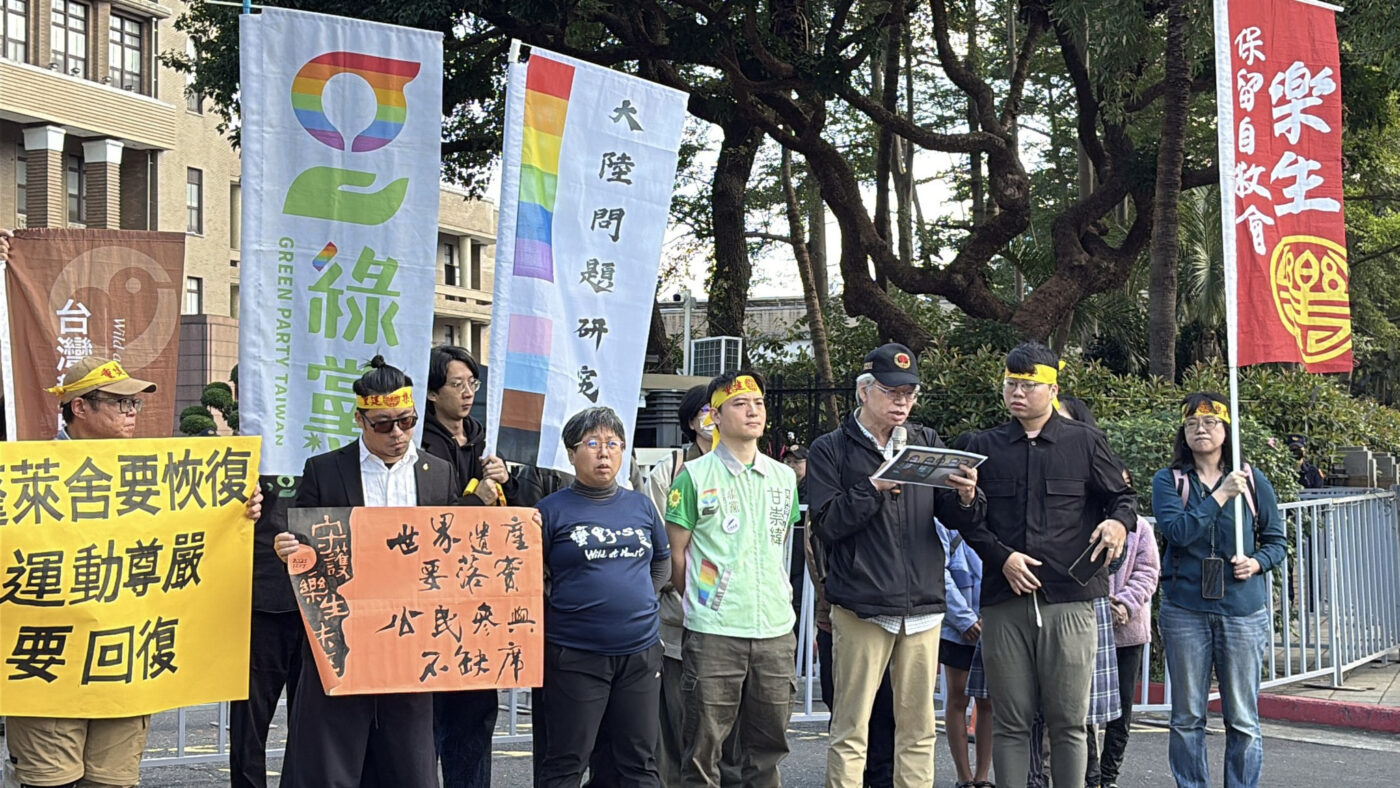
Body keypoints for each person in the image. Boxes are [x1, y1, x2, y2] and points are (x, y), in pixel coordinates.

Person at [5, 354, 262, 788]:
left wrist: (238, 506)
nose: (131, 412)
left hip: (124, 664)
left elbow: (187, 535)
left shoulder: (154, 474)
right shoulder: (23, 475)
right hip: (49, 665)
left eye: (135, 403)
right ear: (79, 407)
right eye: (120, 402)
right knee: (47, 781)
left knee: (113, 781)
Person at [272, 356, 461, 788]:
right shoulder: (325, 470)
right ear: (359, 420)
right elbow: (303, 542)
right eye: (383, 425)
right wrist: (289, 549)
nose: (397, 434)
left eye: (406, 422)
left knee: (410, 766)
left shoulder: (438, 473)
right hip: (342, 636)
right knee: (329, 763)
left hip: (412, 639)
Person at [959, 343, 1135, 788]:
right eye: (1010, 384)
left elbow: (1123, 497)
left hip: (1069, 600)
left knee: (1069, 721)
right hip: (1005, 599)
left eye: (1028, 385)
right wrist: (1001, 556)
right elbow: (967, 521)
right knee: (1010, 721)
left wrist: (1117, 523)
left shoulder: (1085, 442)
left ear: (1053, 390)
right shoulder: (984, 447)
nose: (1017, 393)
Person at [807, 343, 981, 788]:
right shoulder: (831, 449)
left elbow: (953, 516)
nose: (902, 402)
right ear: (864, 391)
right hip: (862, 604)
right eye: (892, 392)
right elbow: (826, 524)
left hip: (923, 606)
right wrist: (874, 486)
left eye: (909, 393)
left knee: (919, 728)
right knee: (851, 727)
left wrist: (967, 496)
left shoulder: (925, 442)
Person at [665, 370, 801, 788]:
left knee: (768, 749)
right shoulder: (693, 476)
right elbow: (677, 555)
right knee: (703, 749)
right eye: (740, 404)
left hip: (774, 629)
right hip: (715, 630)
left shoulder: (783, 477)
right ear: (715, 416)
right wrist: (704, 601)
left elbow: (781, 543)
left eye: (758, 403)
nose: (752, 411)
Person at [1152, 393, 1286, 788]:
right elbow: (1177, 532)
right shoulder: (1170, 480)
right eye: (1192, 424)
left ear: (1226, 431)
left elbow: (1276, 541)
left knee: (1242, 717)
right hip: (1185, 608)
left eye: (1210, 423)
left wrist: (1257, 562)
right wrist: (1221, 494)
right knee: (1187, 717)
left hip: (1242, 609)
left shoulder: (1251, 479)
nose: (1201, 430)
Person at [535, 407, 670, 787]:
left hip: (640, 653)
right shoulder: (549, 511)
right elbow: (530, 576)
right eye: (592, 443)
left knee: (639, 761)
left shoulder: (641, 506)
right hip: (576, 655)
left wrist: (643, 599)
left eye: (613, 444)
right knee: (566, 760)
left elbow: (661, 562)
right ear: (571, 453)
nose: (604, 453)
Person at [420, 344, 514, 788]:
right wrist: (473, 501)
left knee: (475, 721)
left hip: (480, 598)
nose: (467, 392)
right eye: (456, 384)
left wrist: (508, 480)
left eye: (472, 383)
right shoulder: (415, 445)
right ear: (432, 393)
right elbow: (425, 523)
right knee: (426, 726)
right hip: (431, 597)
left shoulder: (485, 439)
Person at [1086, 478, 1160, 788]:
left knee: (1122, 710)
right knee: (1084, 709)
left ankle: (1109, 777)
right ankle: (1090, 777)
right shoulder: (1084, 521)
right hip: (1087, 627)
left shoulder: (1140, 528)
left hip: (1128, 631)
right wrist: (1102, 606)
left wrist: (1124, 605)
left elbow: (1148, 572)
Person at [938, 521, 993, 788]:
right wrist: (964, 619)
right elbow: (939, 572)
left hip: (992, 622)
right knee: (958, 697)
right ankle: (964, 776)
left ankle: (983, 776)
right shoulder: (943, 522)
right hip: (956, 627)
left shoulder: (994, 515)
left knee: (988, 701)